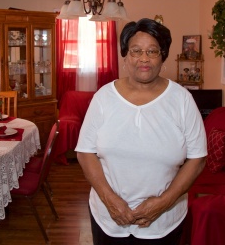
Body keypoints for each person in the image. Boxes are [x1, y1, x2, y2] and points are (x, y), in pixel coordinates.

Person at [75, 18, 207, 245]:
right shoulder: (103, 98)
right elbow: (85, 153)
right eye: (136, 51)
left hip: (164, 222)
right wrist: (110, 200)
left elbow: (198, 158)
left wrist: (164, 203)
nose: (144, 58)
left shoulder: (182, 99)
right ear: (125, 55)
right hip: (108, 218)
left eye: (152, 51)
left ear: (163, 56)